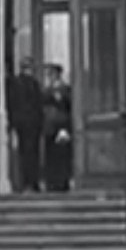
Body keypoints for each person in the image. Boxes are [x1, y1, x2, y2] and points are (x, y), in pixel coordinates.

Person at [6, 57, 44, 193]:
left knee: (30, 153)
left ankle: (31, 181)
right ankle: (27, 182)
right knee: (27, 154)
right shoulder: (20, 83)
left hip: (29, 124)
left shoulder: (30, 83)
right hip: (25, 124)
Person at [42, 63, 73, 192]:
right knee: (51, 156)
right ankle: (51, 182)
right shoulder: (46, 90)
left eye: (52, 74)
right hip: (49, 127)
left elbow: (69, 107)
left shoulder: (66, 89)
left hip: (62, 125)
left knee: (62, 155)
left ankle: (62, 182)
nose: (50, 76)